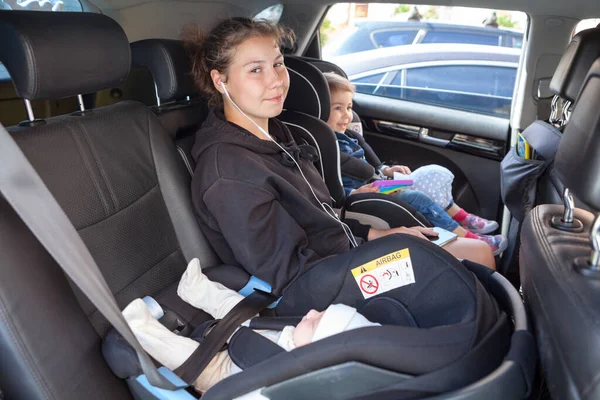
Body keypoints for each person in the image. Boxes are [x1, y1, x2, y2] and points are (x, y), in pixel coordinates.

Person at [183, 17, 495, 315]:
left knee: (474, 253)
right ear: (219, 80)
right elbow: (291, 277)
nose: (276, 81)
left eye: (278, 64)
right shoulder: (229, 172)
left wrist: (378, 236)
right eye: (255, 70)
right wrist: (383, 257)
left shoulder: (275, 135)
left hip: (342, 258)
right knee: (472, 261)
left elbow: (322, 218)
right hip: (320, 289)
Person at [124, 258, 379, 393]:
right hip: (262, 338)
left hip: (233, 377)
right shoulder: (301, 337)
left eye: (315, 322)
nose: (311, 313)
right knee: (240, 312)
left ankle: (141, 329)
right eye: (319, 312)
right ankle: (197, 290)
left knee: (193, 359)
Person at [324, 71, 508, 256]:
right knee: (417, 196)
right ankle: (467, 236)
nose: (347, 115)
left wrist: (387, 170)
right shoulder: (323, 145)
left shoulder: (348, 136)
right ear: (321, 108)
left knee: (432, 175)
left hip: (379, 185)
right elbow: (326, 189)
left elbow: (370, 165)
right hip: (362, 197)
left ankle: (463, 218)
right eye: (338, 108)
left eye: (349, 107)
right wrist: (354, 192)